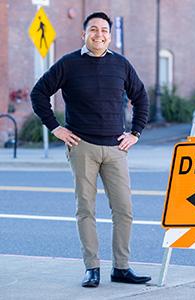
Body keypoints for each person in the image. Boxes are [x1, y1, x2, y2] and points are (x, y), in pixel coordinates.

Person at [30, 11, 150, 287]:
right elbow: (39, 93)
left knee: (124, 209)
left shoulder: (121, 65)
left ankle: (121, 268)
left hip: (116, 149)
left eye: (104, 30)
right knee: (86, 209)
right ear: (83, 34)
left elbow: (141, 97)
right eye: (93, 29)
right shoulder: (69, 64)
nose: (99, 34)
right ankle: (92, 267)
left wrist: (135, 133)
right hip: (81, 145)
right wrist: (55, 128)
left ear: (110, 35)